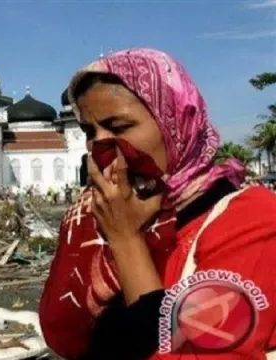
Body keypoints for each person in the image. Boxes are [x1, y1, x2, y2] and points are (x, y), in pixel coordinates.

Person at [39, 48, 276, 360]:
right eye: (89, 131)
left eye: (119, 126)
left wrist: (126, 241)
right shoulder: (99, 219)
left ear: (176, 124)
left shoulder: (250, 220)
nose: (100, 145)